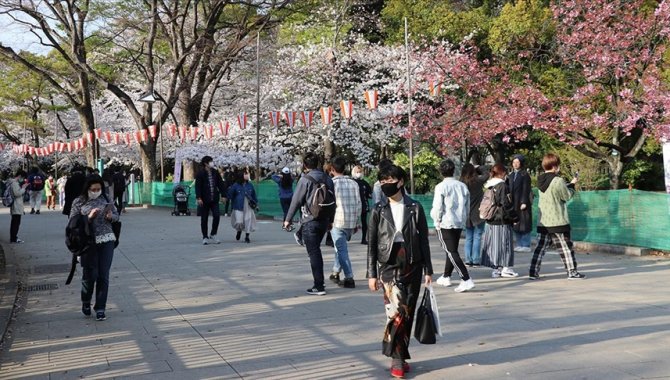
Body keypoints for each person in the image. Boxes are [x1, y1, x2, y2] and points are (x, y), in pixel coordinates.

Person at [366, 164, 433, 379]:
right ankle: (396, 358)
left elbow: (423, 240)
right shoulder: (378, 209)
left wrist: (428, 270)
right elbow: (372, 243)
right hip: (388, 264)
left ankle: (400, 355)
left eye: (390, 180)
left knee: (407, 311)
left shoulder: (415, 207)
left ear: (400, 181)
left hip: (413, 262)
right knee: (394, 311)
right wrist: (372, 274)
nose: (386, 185)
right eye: (382, 181)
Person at [69, 175, 119, 321]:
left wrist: (111, 216)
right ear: (87, 189)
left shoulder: (106, 199)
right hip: (88, 242)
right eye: (93, 189)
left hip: (107, 238)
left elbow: (117, 215)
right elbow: (72, 221)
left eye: (99, 189)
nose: (96, 191)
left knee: (103, 275)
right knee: (90, 275)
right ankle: (86, 301)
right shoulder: (79, 201)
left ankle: (100, 308)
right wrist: (88, 218)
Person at [284, 152, 335, 296]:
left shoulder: (305, 179)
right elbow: (333, 201)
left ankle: (319, 285)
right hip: (324, 220)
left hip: (310, 220)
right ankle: (320, 282)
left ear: (305, 165)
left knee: (314, 253)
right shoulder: (327, 178)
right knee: (315, 251)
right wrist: (331, 220)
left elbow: (296, 200)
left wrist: (287, 219)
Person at [529, 153, 586, 280]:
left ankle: (533, 272)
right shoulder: (558, 180)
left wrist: (568, 185)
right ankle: (572, 272)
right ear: (555, 166)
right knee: (565, 247)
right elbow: (566, 196)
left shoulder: (540, 180)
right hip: (557, 219)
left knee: (540, 247)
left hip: (543, 220)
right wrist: (572, 185)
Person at [430, 159, 475, 293]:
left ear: (441, 172)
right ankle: (446, 276)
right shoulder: (462, 185)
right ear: (453, 170)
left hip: (445, 222)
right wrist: (464, 218)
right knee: (452, 250)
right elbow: (467, 204)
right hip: (459, 221)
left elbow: (438, 206)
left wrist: (436, 220)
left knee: (451, 251)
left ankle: (466, 279)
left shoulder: (441, 186)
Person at [327, 156, 361, 288]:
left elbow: (330, 204)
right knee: (340, 247)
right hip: (351, 220)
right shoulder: (354, 183)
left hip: (337, 221)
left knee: (341, 250)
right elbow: (359, 203)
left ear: (332, 169)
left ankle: (349, 277)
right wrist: (357, 221)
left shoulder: (332, 183)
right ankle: (335, 271)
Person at [480, 164, 519, 279]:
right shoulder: (502, 185)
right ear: (502, 173)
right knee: (505, 244)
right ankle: (506, 268)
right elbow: (505, 204)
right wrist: (515, 217)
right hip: (502, 220)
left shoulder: (489, 185)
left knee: (494, 246)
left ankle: (496, 269)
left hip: (491, 219)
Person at [459, 164, 489, 267]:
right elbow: (487, 173)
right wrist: (479, 167)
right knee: (477, 237)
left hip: (466, 213)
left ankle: (468, 260)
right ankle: (476, 260)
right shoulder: (477, 181)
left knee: (469, 237)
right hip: (478, 213)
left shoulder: (461, 183)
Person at [195, 156, 227, 245]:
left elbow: (220, 184)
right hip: (204, 200)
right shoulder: (200, 173)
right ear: (206, 163)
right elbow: (198, 187)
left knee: (217, 215)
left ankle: (213, 233)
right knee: (204, 218)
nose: (212, 163)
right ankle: (205, 236)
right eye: (210, 161)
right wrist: (199, 197)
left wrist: (224, 195)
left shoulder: (215, 172)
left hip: (214, 199)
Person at [507, 154, 533, 252]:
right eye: (514, 162)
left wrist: (524, 201)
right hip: (513, 202)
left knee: (524, 222)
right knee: (516, 222)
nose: (515, 164)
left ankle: (525, 244)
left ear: (521, 163)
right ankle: (519, 243)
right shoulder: (511, 175)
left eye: (517, 162)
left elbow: (526, 189)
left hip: (522, 202)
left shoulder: (524, 174)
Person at [227, 169, 258, 243]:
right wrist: (226, 197)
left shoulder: (250, 185)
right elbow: (230, 194)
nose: (247, 175)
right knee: (239, 221)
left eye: (247, 174)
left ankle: (247, 236)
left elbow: (254, 195)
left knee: (248, 220)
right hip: (238, 205)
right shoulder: (236, 185)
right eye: (245, 174)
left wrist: (256, 204)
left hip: (248, 205)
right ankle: (239, 230)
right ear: (241, 175)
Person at [351, 165, 372, 245]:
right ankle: (347, 236)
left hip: (363, 204)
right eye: (357, 172)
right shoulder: (351, 182)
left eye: (360, 172)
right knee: (352, 221)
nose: (358, 173)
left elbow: (369, 194)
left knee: (364, 222)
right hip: (353, 205)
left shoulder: (365, 183)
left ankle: (364, 238)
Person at [8, 169, 28, 243]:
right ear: (19, 176)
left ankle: (13, 237)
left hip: (15, 205)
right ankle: (14, 238)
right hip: (16, 205)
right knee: (16, 223)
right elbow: (17, 193)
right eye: (23, 177)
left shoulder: (13, 182)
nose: (23, 179)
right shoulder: (15, 183)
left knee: (15, 222)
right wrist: (23, 188)